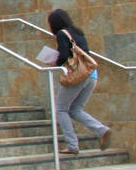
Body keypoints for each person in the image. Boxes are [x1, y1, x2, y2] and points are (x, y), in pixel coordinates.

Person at [47, 9, 112, 155]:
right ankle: (103, 130)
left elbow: (64, 56)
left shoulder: (62, 34)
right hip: (91, 74)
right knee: (75, 110)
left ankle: (72, 145)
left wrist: (54, 62)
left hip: (78, 76)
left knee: (61, 109)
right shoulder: (78, 32)